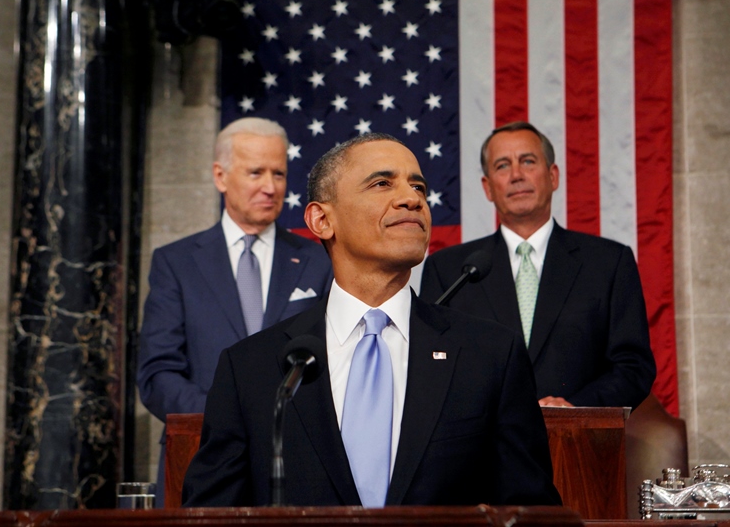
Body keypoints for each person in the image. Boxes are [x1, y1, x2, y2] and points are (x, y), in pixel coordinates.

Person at [181, 133, 562, 507]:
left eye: (419, 187)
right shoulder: (252, 368)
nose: (411, 199)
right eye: (382, 183)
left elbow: (531, 515)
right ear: (321, 220)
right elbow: (211, 519)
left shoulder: (491, 355)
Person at [137, 117, 333, 502]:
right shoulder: (175, 263)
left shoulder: (319, 260)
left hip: (295, 462)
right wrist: (229, 415)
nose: (270, 187)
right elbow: (157, 373)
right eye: (256, 172)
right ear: (220, 176)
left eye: (279, 173)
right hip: (200, 457)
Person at [420, 121, 655, 409]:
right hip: (481, 448)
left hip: (575, 443)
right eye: (502, 166)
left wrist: (573, 409)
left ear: (553, 176)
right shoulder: (450, 270)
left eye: (528, 161)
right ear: (488, 187)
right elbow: (431, 364)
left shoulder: (609, 263)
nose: (516, 175)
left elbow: (633, 367)